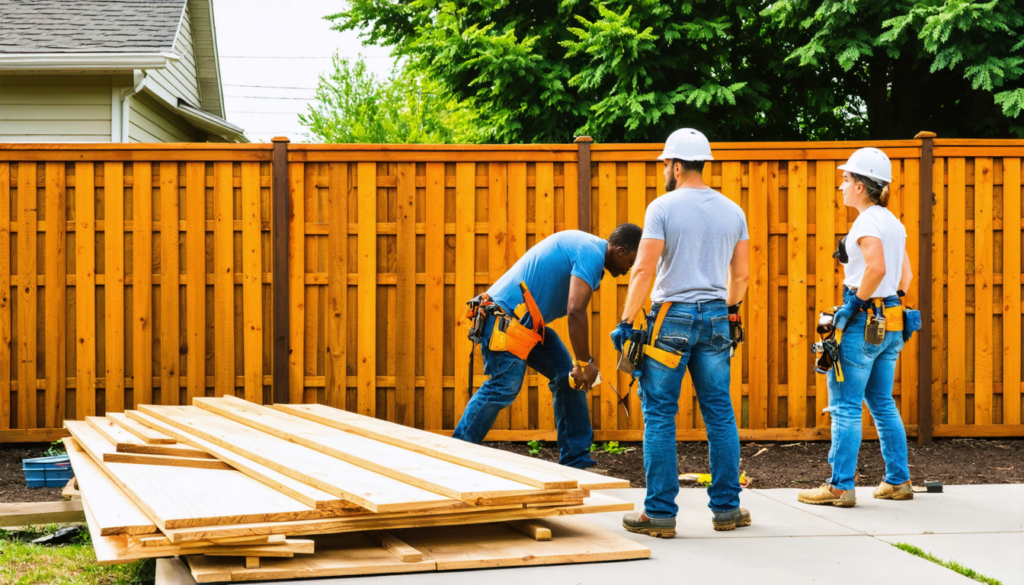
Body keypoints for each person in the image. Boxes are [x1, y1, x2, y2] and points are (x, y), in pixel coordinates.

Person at [611, 128, 750, 538]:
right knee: (720, 414)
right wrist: (730, 312)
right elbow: (740, 275)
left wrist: (625, 321)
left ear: (674, 165)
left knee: (659, 415)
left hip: (670, 318)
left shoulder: (662, 207)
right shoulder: (732, 211)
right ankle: (727, 509)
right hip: (717, 318)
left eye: (665, 166)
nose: (665, 173)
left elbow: (643, 269)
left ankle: (659, 514)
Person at [453, 225, 642, 470]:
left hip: (529, 326)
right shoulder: (591, 254)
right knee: (504, 385)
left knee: (567, 377)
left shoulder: (590, 252)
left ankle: (576, 460)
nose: (629, 269)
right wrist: (584, 363)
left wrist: (583, 365)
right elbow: (575, 310)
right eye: (630, 260)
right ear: (620, 251)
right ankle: (457, 453)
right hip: (504, 319)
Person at [799, 148, 915, 507]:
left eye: (846, 179)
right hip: (891, 320)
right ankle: (898, 481)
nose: (841, 186)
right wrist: (884, 303)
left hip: (863, 322)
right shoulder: (894, 222)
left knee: (845, 406)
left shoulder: (865, 222)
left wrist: (855, 305)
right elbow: (905, 277)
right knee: (881, 401)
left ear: (862, 186)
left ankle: (839, 487)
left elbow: (876, 268)